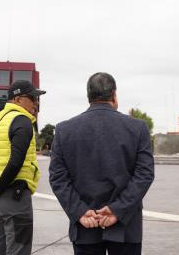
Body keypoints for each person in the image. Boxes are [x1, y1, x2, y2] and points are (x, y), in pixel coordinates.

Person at [49, 72, 154, 255]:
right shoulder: (138, 128)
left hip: (85, 226)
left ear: (88, 96)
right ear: (114, 94)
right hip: (125, 226)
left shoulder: (64, 130)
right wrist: (117, 210)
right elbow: (144, 175)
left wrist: (80, 211)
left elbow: (58, 178)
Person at [0, 80, 46, 255]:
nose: (36, 103)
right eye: (32, 98)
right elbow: (16, 162)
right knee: (19, 248)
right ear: (17, 99)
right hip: (14, 196)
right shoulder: (22, 121)